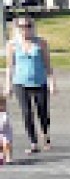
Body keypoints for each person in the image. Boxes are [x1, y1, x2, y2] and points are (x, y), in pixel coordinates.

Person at [5, 15, 55, 154]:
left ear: (33, 27)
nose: (25, 29)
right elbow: (10, 66)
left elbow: (48, 65)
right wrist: (7, 85)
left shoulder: (41, 43)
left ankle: (45, 136)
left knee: (42, 111)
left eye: (28, 26)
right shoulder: (12, 45)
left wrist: (52, 82)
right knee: (26, 113)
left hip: (39, 81)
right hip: (20, 82)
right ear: (17, 28)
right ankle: (33, 141)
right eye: (22, 27)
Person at [0, 91, 12, 164]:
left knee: (7, 145)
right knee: (1, 146)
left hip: (6, 132)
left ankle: (8, 157)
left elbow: (5, 123)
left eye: (3, 105)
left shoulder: (4, 114)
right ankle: (1, 157)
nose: (1, 107)